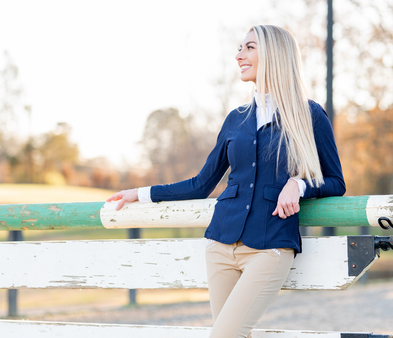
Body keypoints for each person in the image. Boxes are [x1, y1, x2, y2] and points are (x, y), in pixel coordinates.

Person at [106, 25, 346, 337]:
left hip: (269, 248)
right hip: (220, 245)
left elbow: (336, 182)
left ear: (274, 54)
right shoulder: (236, 118)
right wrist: (140, 193)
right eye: (239, 48)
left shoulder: (309, 114)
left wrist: (298, 185)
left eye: (249, 48)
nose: (238, 56)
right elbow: (201, 184)